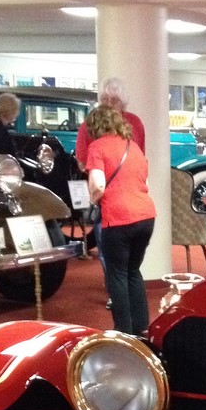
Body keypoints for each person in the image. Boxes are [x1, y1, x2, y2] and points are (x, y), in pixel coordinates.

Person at [84, 104, 156, 337]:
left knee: (116, 274)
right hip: (145, 215)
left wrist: (93, 201)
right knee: (134, 271)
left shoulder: (97, 147)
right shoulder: (133, 146)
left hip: (118, 218)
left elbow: (98, 185)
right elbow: (145, 180)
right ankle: (142, 325)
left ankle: (123, 328)